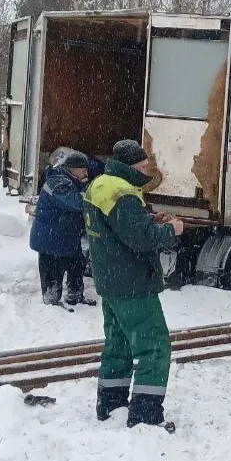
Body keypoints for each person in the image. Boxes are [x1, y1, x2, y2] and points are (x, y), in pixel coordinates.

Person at [84, 139, 185, 428]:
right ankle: (145, 416)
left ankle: (111, 404)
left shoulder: (101, 185)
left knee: (118, 346)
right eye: (142, 166)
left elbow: (117, 224)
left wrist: (149, 218)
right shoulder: (123, 194)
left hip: (111, 281)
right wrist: (169, 229)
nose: (146, 171)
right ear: (129, 166)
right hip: (133, 285)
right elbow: (140, 239)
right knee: (154, 347)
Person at [30, 150, 95, 308]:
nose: (85, 173)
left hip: (65, 236)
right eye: (83, 170)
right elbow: (76, 202)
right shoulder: (57, 182)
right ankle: (51, 302)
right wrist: (95, 191)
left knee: (76, 265)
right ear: (72, 169)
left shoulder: (68, 180)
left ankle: (75, 296)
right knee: (53, 272)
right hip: (50, 238)